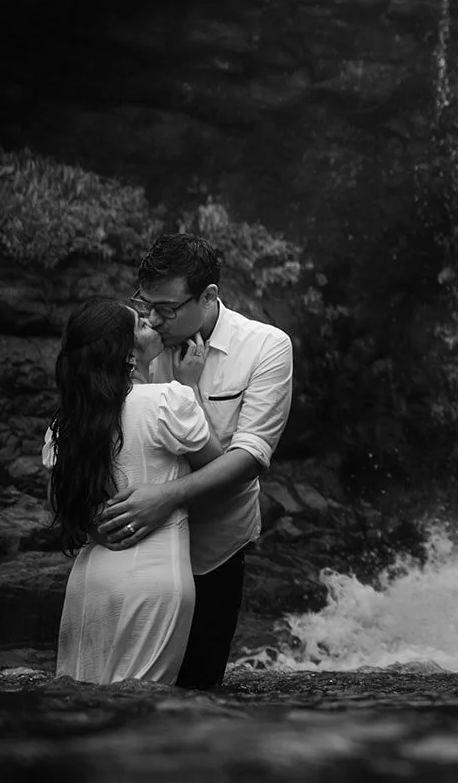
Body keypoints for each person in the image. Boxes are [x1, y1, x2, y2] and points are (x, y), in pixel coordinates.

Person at [95, 232, 296, 689]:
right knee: (122, 685)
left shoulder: (266, 347)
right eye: (144, 304)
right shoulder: (137, 339)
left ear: (208, 297)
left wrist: (164, 498)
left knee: (199, 687)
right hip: (136, 543)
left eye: (166, 308)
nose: (151, 318)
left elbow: (250, 457)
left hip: (215, 546)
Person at [44, 297, 223, 684]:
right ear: (127, 354)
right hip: (153, 580)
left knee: (82, 702)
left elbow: (59, 496)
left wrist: (94, 527)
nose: (152, 324)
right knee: (141, 707)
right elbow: (219, 468)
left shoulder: (69, 420)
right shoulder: (167, 400)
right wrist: (189, 388)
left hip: (90, 581)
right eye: (141, 325)